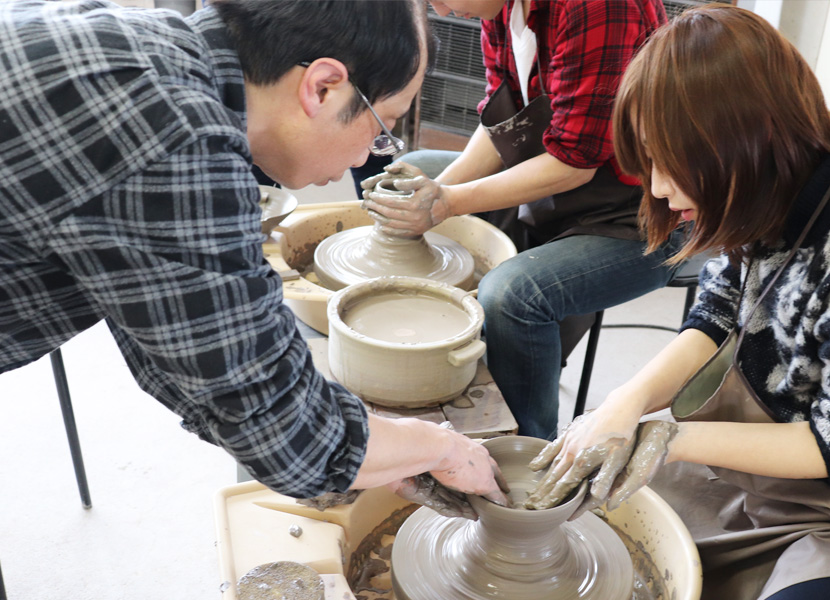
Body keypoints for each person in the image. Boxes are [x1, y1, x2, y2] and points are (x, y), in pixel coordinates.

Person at [525, 5, 830, 599]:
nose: (658, 187)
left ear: (743, 144)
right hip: (796, 460)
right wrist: (627, 404)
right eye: (650, 159)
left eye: (673, 163)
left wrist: (670, 439)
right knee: (613, 528)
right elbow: (719, 312)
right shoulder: (774, 185)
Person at [0, 0, 508, 519]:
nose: (364, 159)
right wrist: (439, 446)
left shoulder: (142, 44)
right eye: (384, 126)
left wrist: (362, 450)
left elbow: (184, 360)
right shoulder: (179, 142)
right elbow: (287, 436)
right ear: (324, 86)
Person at [361, 0, 682, 440]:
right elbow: (505, 123)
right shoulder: (502, 9)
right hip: (555, 177)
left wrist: (448, 203)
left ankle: (525, 450)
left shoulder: (597, 5)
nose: (437, 7)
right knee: (419, 171)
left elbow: (576, 161)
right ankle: (445, 368)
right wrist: (437, 192)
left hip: (644, 207)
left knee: (512, 295)